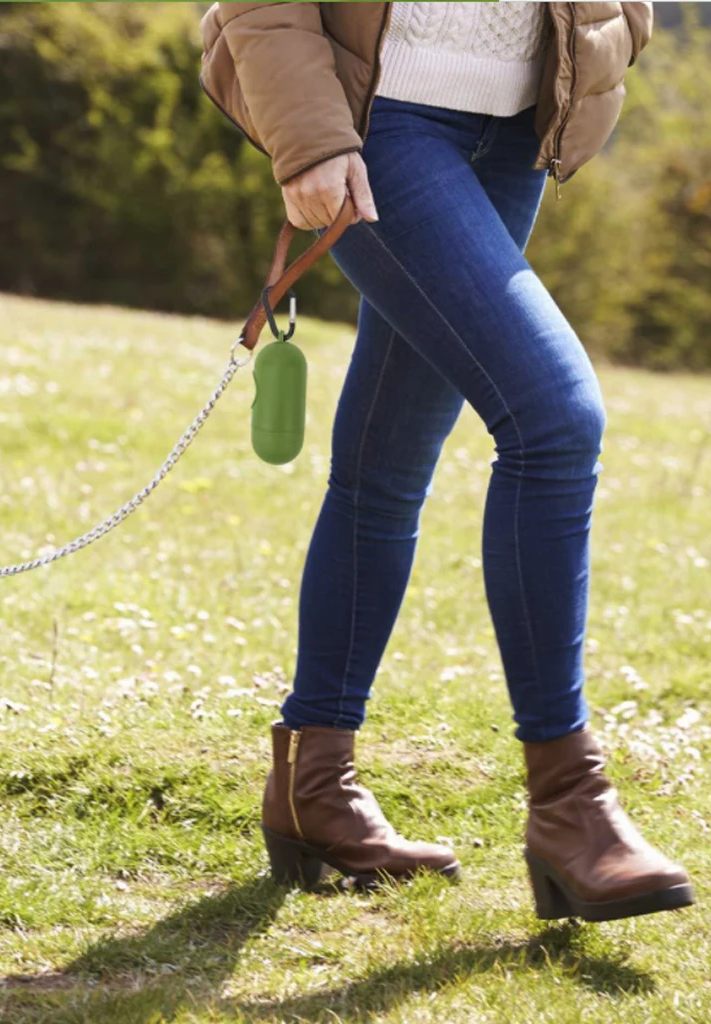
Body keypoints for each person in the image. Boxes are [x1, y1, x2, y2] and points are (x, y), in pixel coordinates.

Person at [200, 1, 695, 922]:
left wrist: (614, 33)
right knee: (554, 420)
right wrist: (308, 137)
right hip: (376, 118)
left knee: (383, 467)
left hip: (515, 128)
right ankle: (571, 807)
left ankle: (317, 782)